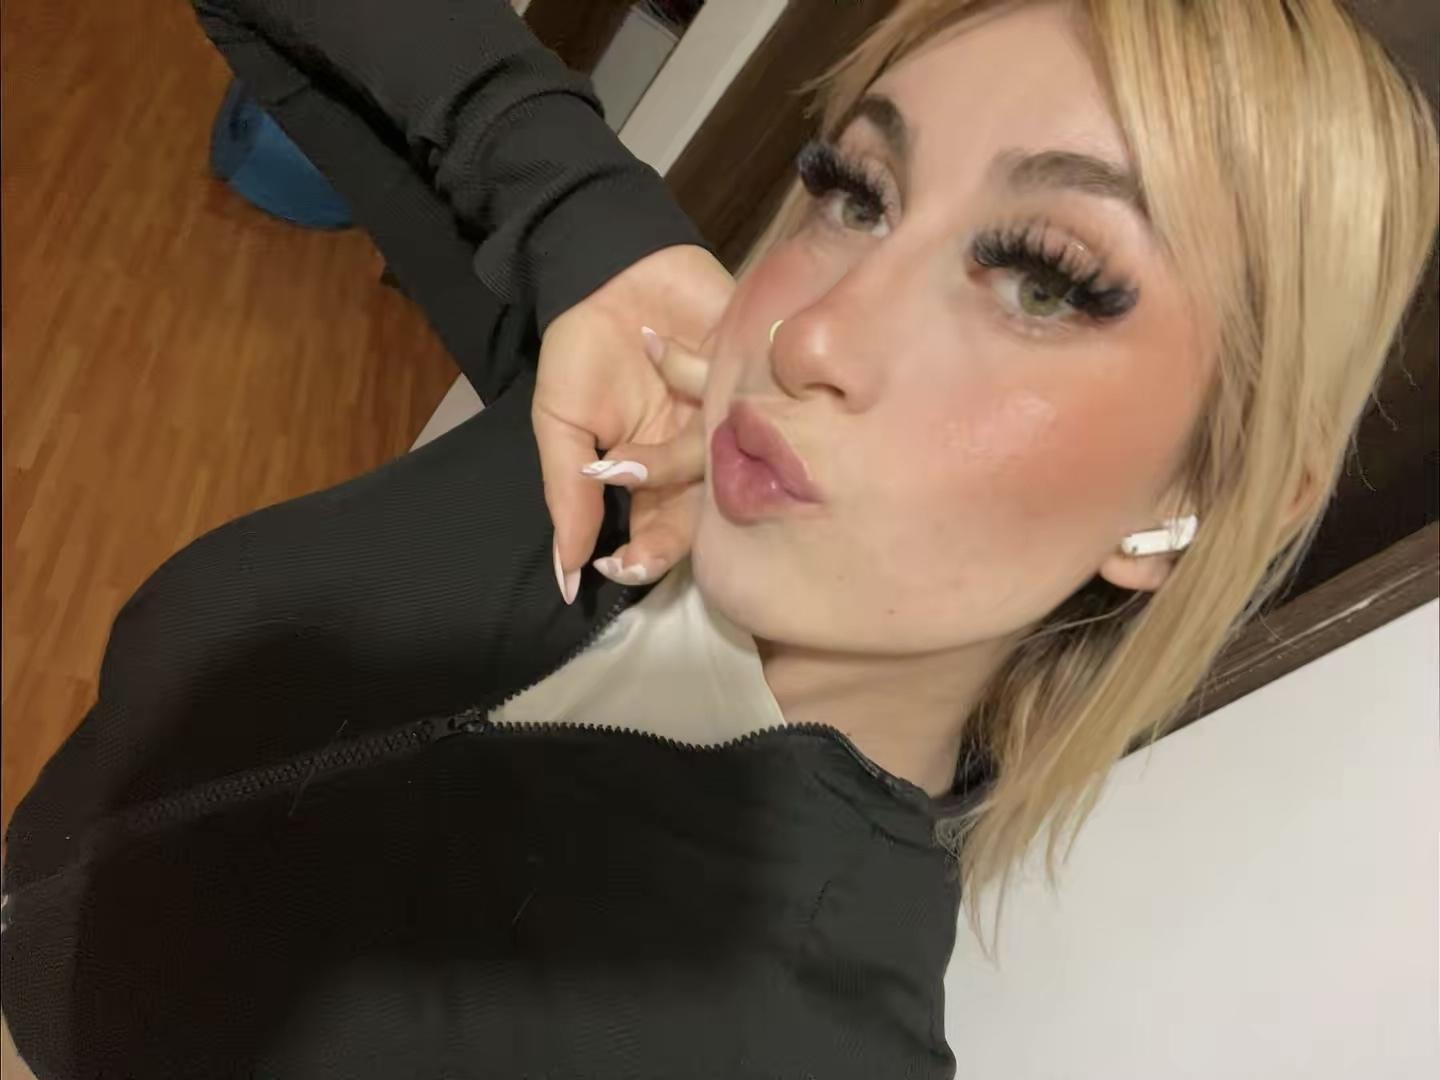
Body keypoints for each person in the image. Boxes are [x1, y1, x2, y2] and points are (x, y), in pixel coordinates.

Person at [2, 0, 1436, 1077]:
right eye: (856, 193)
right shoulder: (609, 457)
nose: (809, 334)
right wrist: (584, 211)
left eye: (1045, 281)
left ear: (1201, 495)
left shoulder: (783, 1036)